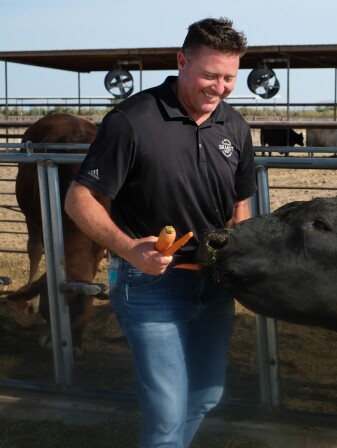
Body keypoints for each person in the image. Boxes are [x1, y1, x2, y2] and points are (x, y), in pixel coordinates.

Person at [64, 17, 256, 447]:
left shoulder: (236, 127)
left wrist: (237, 255)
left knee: (206, 396)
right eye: (209, 75)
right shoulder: (132, 120)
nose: (219, 88)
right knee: (168, 413)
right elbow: (79, 198)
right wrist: (130, 249)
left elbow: (240, 204)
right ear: (182, 61)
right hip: (150, 284)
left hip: (213, 284)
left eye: (229, 78)